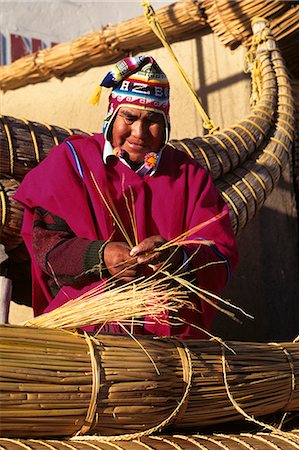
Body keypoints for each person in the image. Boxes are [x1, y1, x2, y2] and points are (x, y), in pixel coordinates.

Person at [15, 55, 238, 339]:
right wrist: (100, 257)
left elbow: (220, 253)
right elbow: (45, 245)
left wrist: (176, 256)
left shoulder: (189, 176)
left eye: (153, 121)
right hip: (86, 327)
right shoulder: (72, 162)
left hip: (167, 338)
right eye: (129, 118)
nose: (139, 132)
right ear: (112, 114)